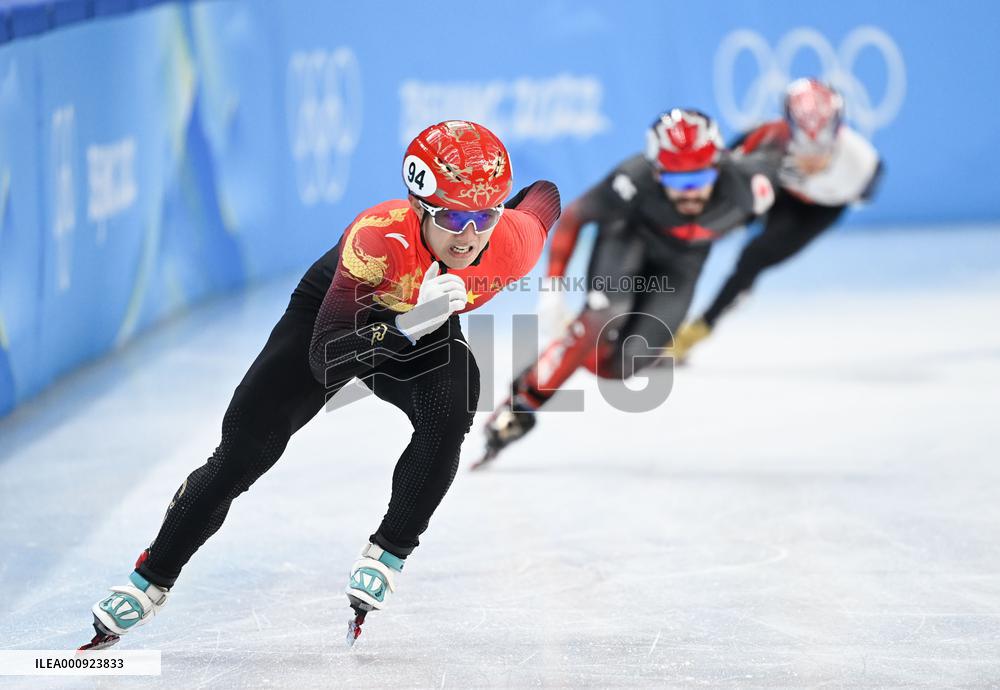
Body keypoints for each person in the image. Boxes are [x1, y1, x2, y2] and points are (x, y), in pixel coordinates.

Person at [82, 120, 561, 649]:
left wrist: (510, 261)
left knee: (453, 403)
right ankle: (151, 576)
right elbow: (326, 360)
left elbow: (545, 197)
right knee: (245, 450)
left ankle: (390, 549)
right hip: (336, 323)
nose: (468, 236)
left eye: (483, 216)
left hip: (424, 325)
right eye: (451, 216)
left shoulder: (511, 242)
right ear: (418, 205)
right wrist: (405, 325)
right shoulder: (377, 238)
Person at [475, 108, 778, 467]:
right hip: (629, 239)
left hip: (682, 265)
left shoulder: (750, 186)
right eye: (678, 181)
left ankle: (569, 345)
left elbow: (781, 141)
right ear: (656, 172)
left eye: (700, 178)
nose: (690, 193)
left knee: (621, 366)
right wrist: (552, 289)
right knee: (603, 317)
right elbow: (574, 217)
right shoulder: (633, 179)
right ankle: (522, 404)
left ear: (719, 166)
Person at [670, 78, 883, 361]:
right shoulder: (767, 137)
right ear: (789, 129)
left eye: (821, 146)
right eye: (803, 145)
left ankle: (697, 331)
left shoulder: (862, 164)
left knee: (753, 257)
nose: (811, 158)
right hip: (780, 193)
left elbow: (863, 194)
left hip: (820, 210)